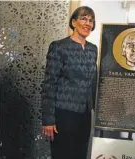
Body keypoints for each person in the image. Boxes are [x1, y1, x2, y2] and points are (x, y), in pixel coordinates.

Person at [41, 6, 98, 159]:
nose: (88, 23)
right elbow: (49, 84)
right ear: (73, 22)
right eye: (83, 18)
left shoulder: (93, 49)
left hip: (85, 114)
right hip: (64, 114)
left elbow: (92, 82)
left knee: (80, 154)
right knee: (63, 155)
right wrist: (48, 119)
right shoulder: (59, 47)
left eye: (91, 21)